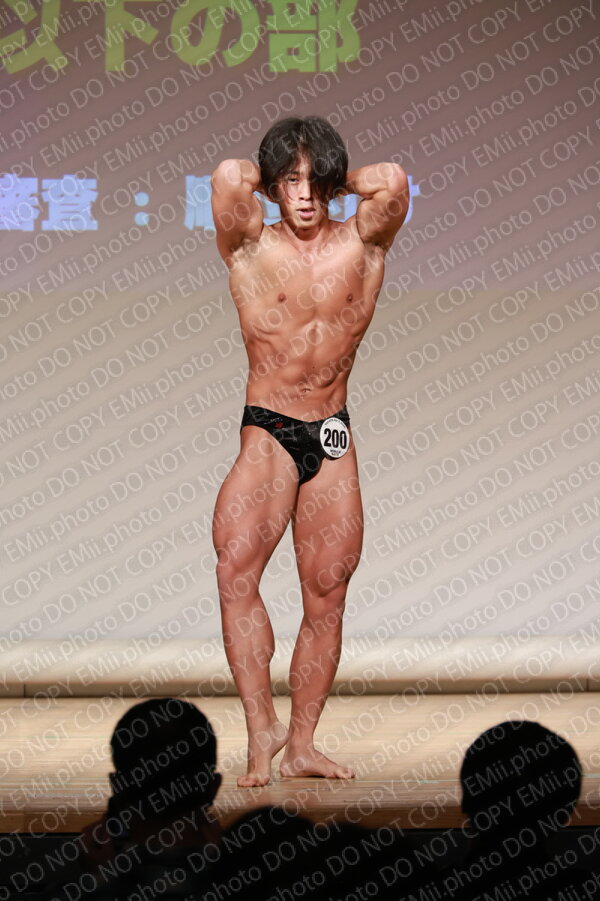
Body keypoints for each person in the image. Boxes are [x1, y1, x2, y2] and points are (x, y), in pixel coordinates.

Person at [210, 115, 409, 787]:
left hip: (331, 431)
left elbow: (392, 182)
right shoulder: (249, 245)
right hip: (270, 428)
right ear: (272, 187)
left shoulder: (363, 243)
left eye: (314, 181)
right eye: (290, 182)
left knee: (327, 592)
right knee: (235, 570)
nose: (303, 194)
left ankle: (301, 744)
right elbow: (228, 176)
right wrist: (281, 169)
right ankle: (260, 726)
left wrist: (330, 173)